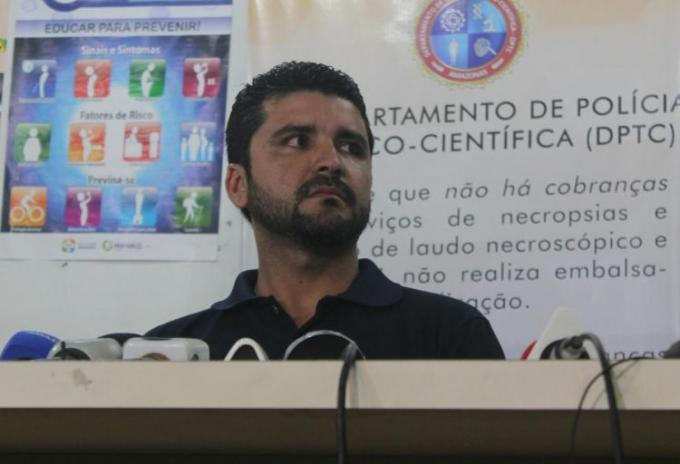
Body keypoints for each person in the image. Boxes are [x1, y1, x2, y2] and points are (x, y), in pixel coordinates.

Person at [147, 61, 504, 360]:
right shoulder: (172, 352)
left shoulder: (450, 335)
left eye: (351, 147)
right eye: (297, 141)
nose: (332, 162)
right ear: (239, 185)